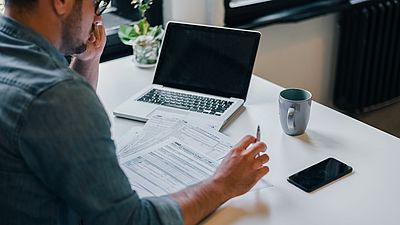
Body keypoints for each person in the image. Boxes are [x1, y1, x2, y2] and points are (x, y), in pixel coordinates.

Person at [0, 0, 270, 225]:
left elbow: (52, 124)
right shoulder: (59, 96)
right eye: (96, 4)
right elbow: (132, 221)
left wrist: (88, 59)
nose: (96, 17)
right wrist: (223, 183)